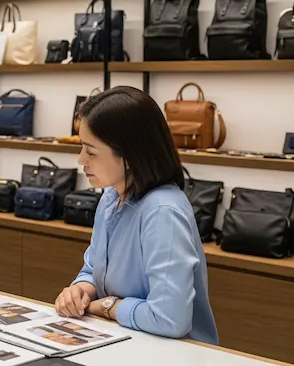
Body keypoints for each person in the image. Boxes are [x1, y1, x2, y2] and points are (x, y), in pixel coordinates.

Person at [54, 86, 218, 345]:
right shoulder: (111, 197)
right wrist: (80, 290)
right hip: (123, 341)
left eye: (91, 151)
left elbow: (170, 318)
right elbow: (94, 269)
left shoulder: (163, 212)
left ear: (129, 154)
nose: (80, 159)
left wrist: (107, 306)